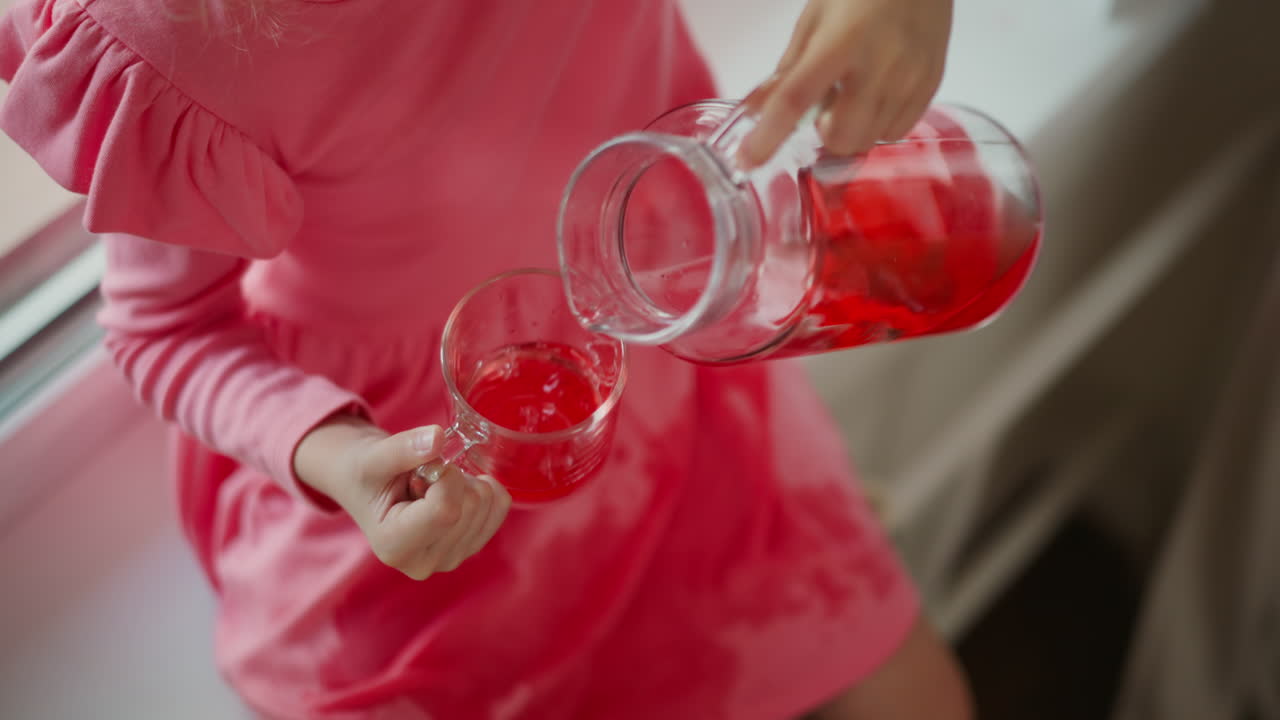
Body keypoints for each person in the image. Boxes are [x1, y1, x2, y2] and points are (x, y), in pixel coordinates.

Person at [0, 0, 971, 717]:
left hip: (674, 396)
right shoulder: (178, 29)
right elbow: (164, 329)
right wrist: (340, 459)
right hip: (415, 473)